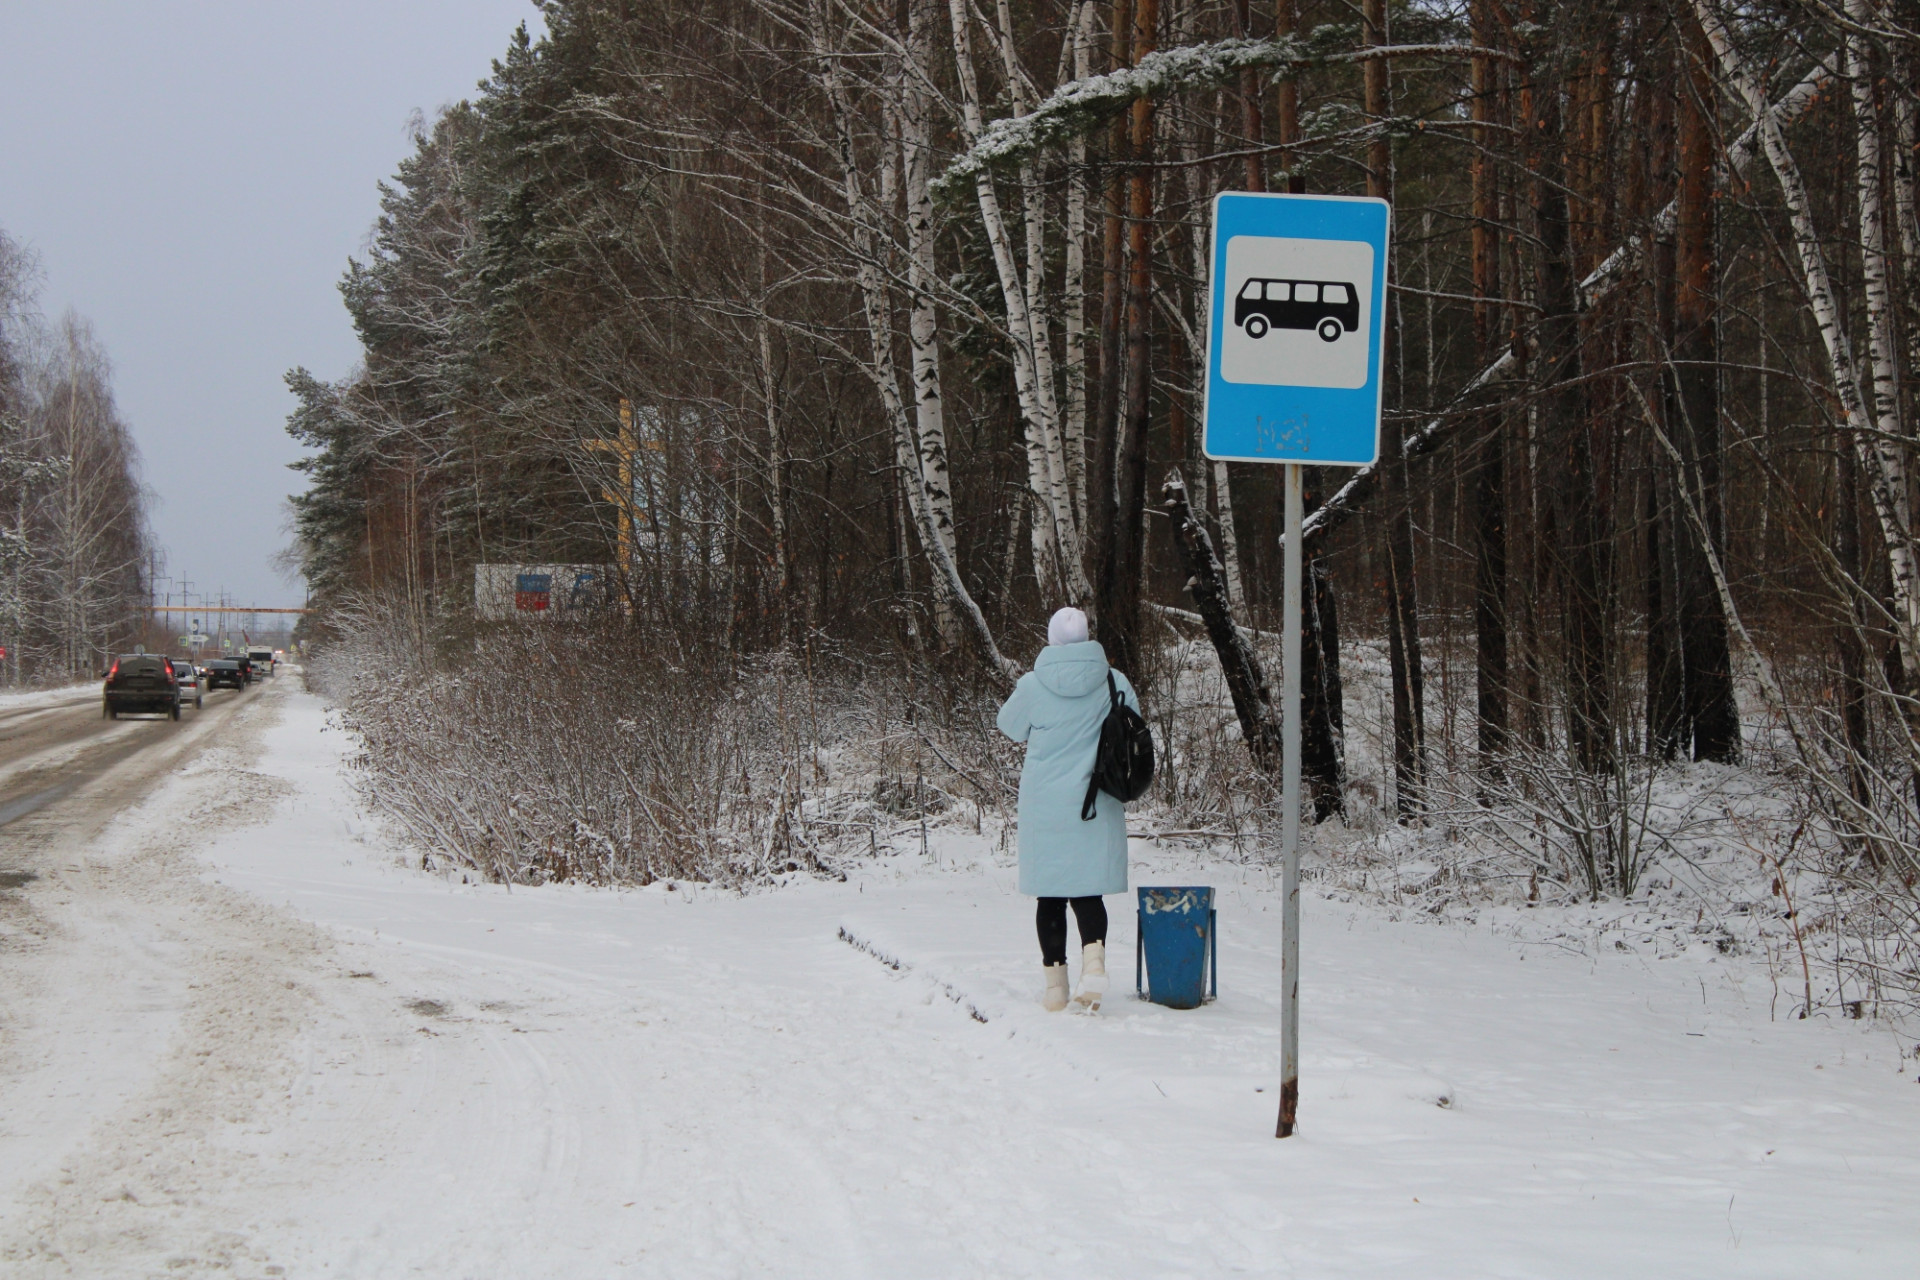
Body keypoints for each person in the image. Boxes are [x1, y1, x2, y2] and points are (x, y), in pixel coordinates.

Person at [995, 606, 1140, 1012]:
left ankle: (1055, 987)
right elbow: (1136, 725)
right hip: (1098, 799)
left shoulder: (1033, 685)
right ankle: (1093, 960)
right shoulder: (1115, 681)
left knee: (1051, 895)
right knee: (1088, 890)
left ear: (1052, 639)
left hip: (1047, 805)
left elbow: (1008, 726)